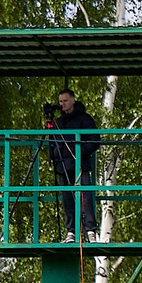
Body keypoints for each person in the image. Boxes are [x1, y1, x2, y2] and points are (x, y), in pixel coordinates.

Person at [44, 87, 99, 238]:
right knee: (67, 198)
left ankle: (90, 230)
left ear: (73, 100)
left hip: (80, 165)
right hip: (63, 166)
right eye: (60, 101)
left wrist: (79, 152)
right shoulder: (58, 122)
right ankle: (71, 231)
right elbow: (52, 143)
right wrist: (55, 157)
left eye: (65, 101)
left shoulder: (85, 119)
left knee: (85, 197)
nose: (62, 104)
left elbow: (95, 140)